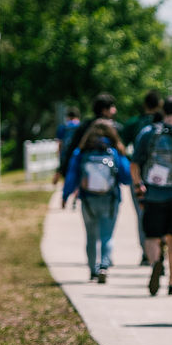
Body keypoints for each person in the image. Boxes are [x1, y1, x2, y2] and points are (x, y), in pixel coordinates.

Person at [62, 117, 131, 283]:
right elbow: (126, 177)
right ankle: (104, 266)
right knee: (107, 236)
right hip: (110, 199)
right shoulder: (115, 151)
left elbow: (72, 176)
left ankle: (93, 270)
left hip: (88, 200)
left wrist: (65, 195)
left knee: (91, 236)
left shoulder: (82, 152)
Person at [131, 95, 172, 297]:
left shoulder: (148, 132)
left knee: (152, 237)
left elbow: (134, 164)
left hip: (153, 193)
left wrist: (139, 187)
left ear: (162, 111)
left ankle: (156, 263)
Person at [57, 92, 117, 181]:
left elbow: (72, 148)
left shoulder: (84, 126)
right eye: (112, 107)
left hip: (85, 176)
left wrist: (62, 170)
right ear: (104, 110)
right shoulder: (114, 127)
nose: (115, 110)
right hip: (109, 177)